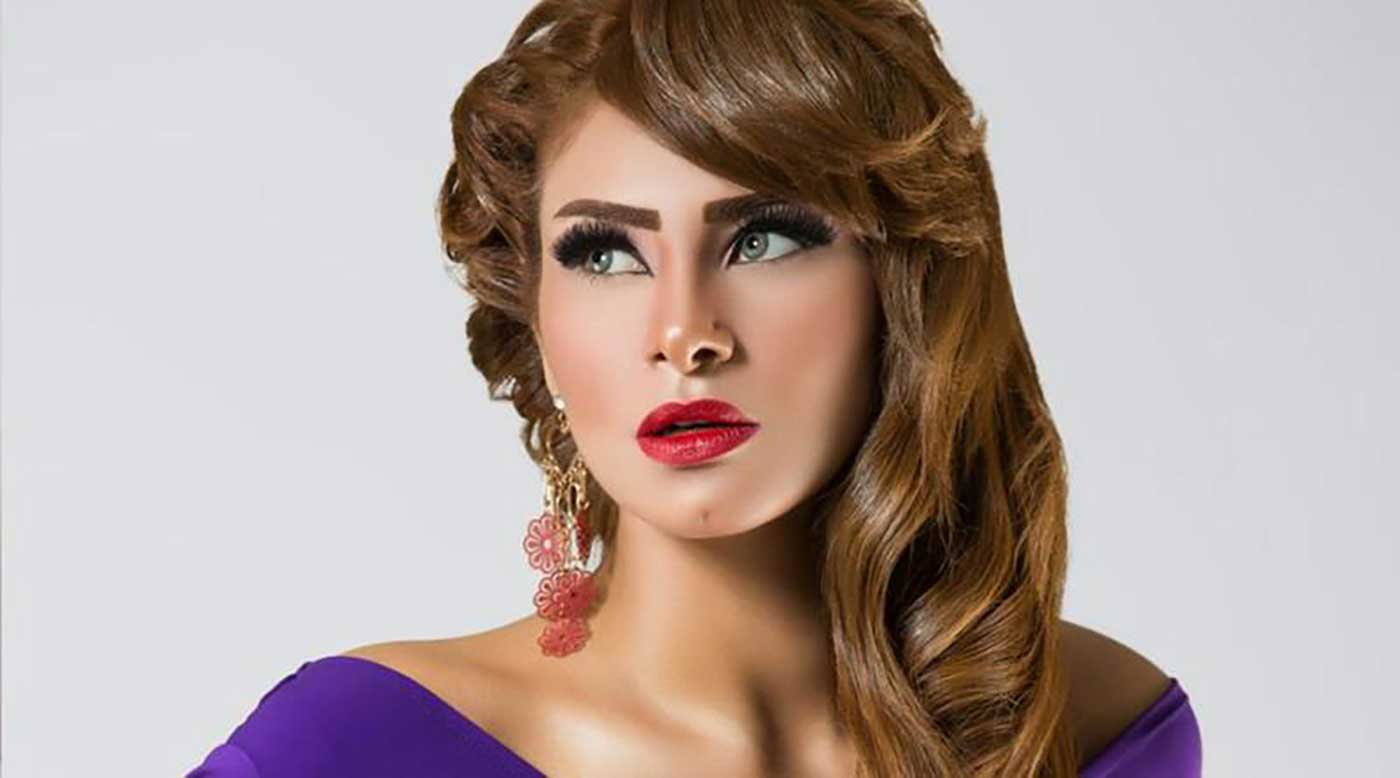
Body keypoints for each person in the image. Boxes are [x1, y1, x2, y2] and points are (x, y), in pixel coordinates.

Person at [187, 1, 1202, 775]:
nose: (684, 332)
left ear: (902, 285)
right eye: (604, 253)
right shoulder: (349, 751)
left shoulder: (1097, 732)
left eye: (764, 239)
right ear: (535, 319)